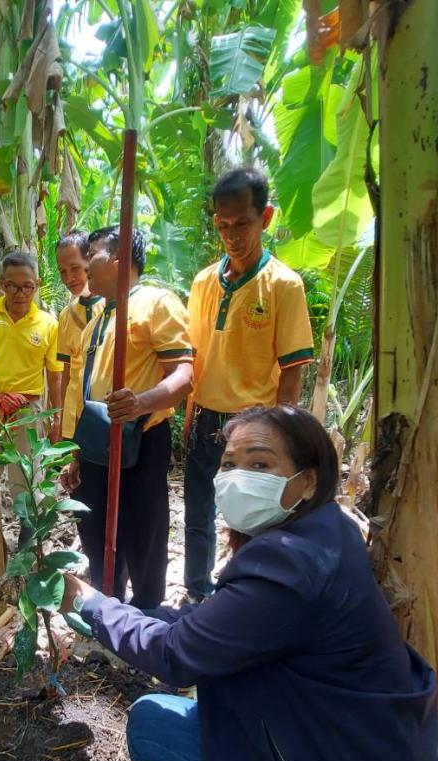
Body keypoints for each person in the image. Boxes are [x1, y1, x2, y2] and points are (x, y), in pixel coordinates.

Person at [59, 406, 438, 761]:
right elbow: (215, 623)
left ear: (306, 480)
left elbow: (174, 656)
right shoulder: (326, 532)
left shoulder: (285, 568)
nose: (237, 478)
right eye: (230, 462)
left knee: (152, 723)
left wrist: (94, 607)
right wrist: (136, 613)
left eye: (260, 463)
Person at [183, 168, 315, 601]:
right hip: (205, 414)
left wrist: (281, 430)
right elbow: (194, 356)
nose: (232, 235)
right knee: (198, 511)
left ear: (266, 217)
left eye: (243, 223)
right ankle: (198, 592)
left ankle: (254, 595)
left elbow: (292, 369)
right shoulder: (204, 282)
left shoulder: (283, 285)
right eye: (223, 225)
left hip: (253, 422)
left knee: (254, 513)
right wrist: (188, 415)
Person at [60, 226, 194, 608]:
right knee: (96, 529)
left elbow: (184, 374)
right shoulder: (99, 315)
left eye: (93, 254)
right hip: (96, 443)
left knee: (143, 532)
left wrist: (141, 403)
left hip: (141, 437)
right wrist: (76, 454)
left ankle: (148, 612)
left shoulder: (156, 302)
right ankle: (109, 608)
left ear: (119, 258)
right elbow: (84, 388)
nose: (85, 263)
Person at [0, 250, 64, 549]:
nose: (19, 294)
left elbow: (56, 374)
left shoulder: (48, 324)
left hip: (27, 409)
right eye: (12, 286)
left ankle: (27, 553)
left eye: (27, 287)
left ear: (37, 284)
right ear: (0, 283)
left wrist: (56, 415)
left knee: (26, 481)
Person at [52, 231, 105, 445]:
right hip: (75, 419)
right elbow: (66, 375)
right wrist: (60, 419)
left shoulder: (114, 307)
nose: (68, 278)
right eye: (62, 271)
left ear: (90, 261)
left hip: (105, 413)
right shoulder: (66, 316)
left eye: (75, 268)